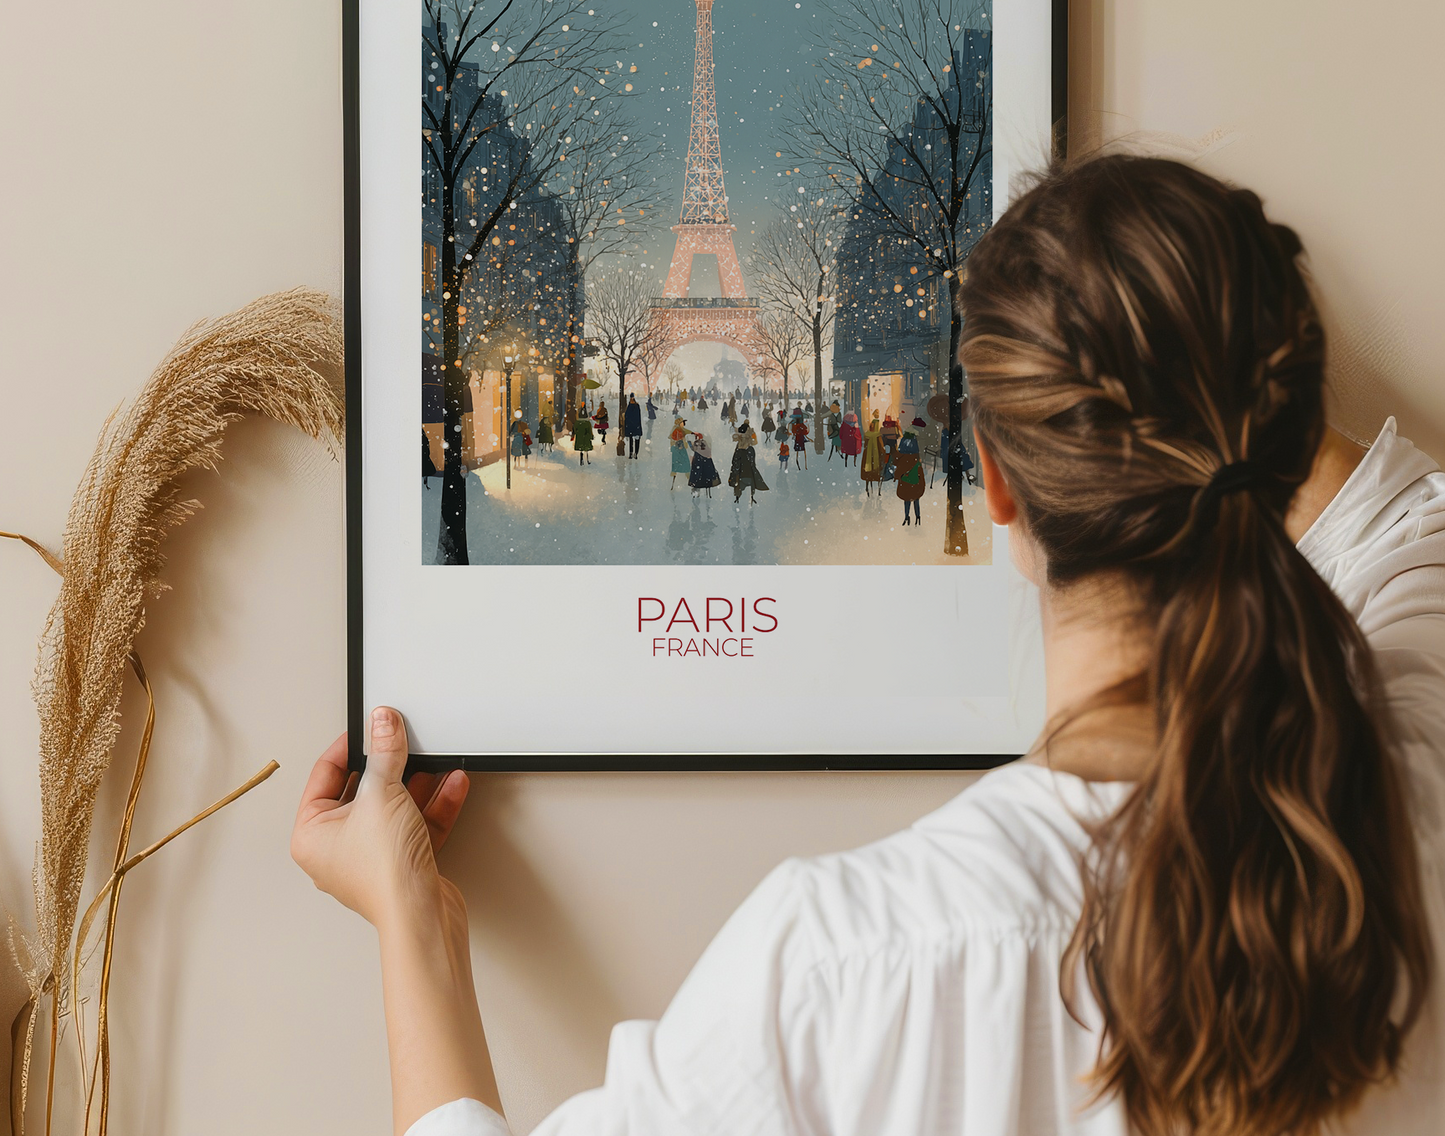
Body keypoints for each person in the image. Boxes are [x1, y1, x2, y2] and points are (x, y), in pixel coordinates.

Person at [293, 154, 1445, 1136]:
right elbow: (1399, 512)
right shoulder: (1409, 782)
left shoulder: (854, 964)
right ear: (1280, 427)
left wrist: (414, 918)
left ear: (992, 480)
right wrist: (1205, 371)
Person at [895, 420, 925, 525]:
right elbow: (916, 453)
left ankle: (907, 516)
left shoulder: (904, 439)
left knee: (906, 495)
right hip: (913, 466)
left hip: (904, 467)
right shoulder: (914, 440)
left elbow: (900, 451)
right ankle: (918, 517)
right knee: (916, 495)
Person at [688, 431, 720, 496]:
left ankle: (696, 491)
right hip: (705, 463)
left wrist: (690, 443)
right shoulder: (704, 443)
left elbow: (694, 449)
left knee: (697, 477)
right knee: (706, 477)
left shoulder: (697, 443)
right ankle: (706, 491)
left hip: (698, 462)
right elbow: (708, 452)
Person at [860, 411, 886, 492]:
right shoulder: (878, 435)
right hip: (876, 455)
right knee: (877, 469)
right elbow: (881, 447)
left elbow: (865, 445)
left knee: (868, 470)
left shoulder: (867, 434)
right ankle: (878, 489)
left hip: (868, 454)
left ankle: (868, 487)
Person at [668, 416, 691, 489]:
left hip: (678, 448)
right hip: (679, 449)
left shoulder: (678, 428)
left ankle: (686, 478)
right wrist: (679, 444)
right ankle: (689, 479)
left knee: (678, 463)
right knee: (685, 462)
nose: (684, 424)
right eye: (683, 422)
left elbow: (686, 431)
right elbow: (675, 438)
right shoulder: (677, 429)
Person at [623, 393, 643, 459]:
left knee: (636, 440)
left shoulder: (635, 406)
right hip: (632, 426)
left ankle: (635, 453)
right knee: (632, 440)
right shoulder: (632, 406)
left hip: (634, 426)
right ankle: (631, 453)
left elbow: (635, 416)